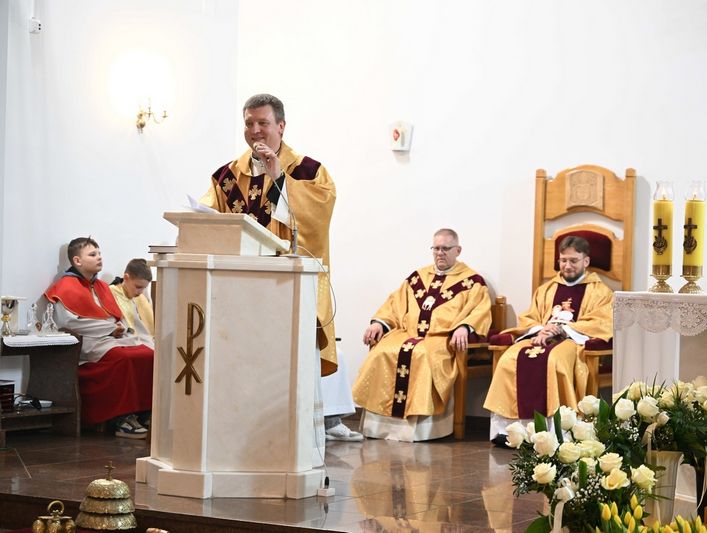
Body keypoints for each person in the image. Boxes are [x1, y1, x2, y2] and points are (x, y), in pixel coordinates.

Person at [200, 94, 359, 446]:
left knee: (288, 368)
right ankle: (240, 436)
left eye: (263, 123)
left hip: (287, 287)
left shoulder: (309, 172)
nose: (255, 130)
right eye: (249, 123)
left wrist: (278, 179)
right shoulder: (226, 177)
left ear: (281, 126)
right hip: (240, 290)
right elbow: (208, 221)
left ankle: (295, 442)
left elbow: (315, 223)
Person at [352, 229, 492, 442]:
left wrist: (465, 327)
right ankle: (379, 426)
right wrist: (379, 323)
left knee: (423, 356)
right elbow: (394, 304)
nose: (440, 253)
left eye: (445, 248)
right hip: (407, 333)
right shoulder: (417, 277)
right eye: (436, 248)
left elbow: (480, 310)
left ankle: (418, 430)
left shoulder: (472, 282)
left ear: (458, 250)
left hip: (441, 338)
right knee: (381, 352)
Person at [483, 235, 613, 445]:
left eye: (573, 261)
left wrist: (561, 329)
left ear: (586, 261)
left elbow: (602, 322)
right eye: (563, 260)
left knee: (554, 361)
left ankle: (558, 432)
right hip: (541, 336)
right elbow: (530, 317)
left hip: (574, 340)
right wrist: (541, 329)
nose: (567, 266)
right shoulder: (546, 289)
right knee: (509, 358)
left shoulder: (601, 292)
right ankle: (510, 431)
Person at [44, 237, 154, 439]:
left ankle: (144, 412)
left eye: (99, 253)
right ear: (77, 261)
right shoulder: (64, 286)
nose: (99, 257)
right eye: (93, 254)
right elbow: (69, 323)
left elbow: (116, 316)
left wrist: (119, 328)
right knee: (124, 358)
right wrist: (110, 328)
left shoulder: (102, 286)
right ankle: (121, 418)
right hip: (88, 342)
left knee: (149, 354)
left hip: (112, 339)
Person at [109, 258, 154, 342]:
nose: (141, 292)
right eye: (138, 287)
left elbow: (149, 330)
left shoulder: (140, 298)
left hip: (141, 340)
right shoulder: (111, 293)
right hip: (122, 340)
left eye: (144, 288)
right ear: (126, 278)